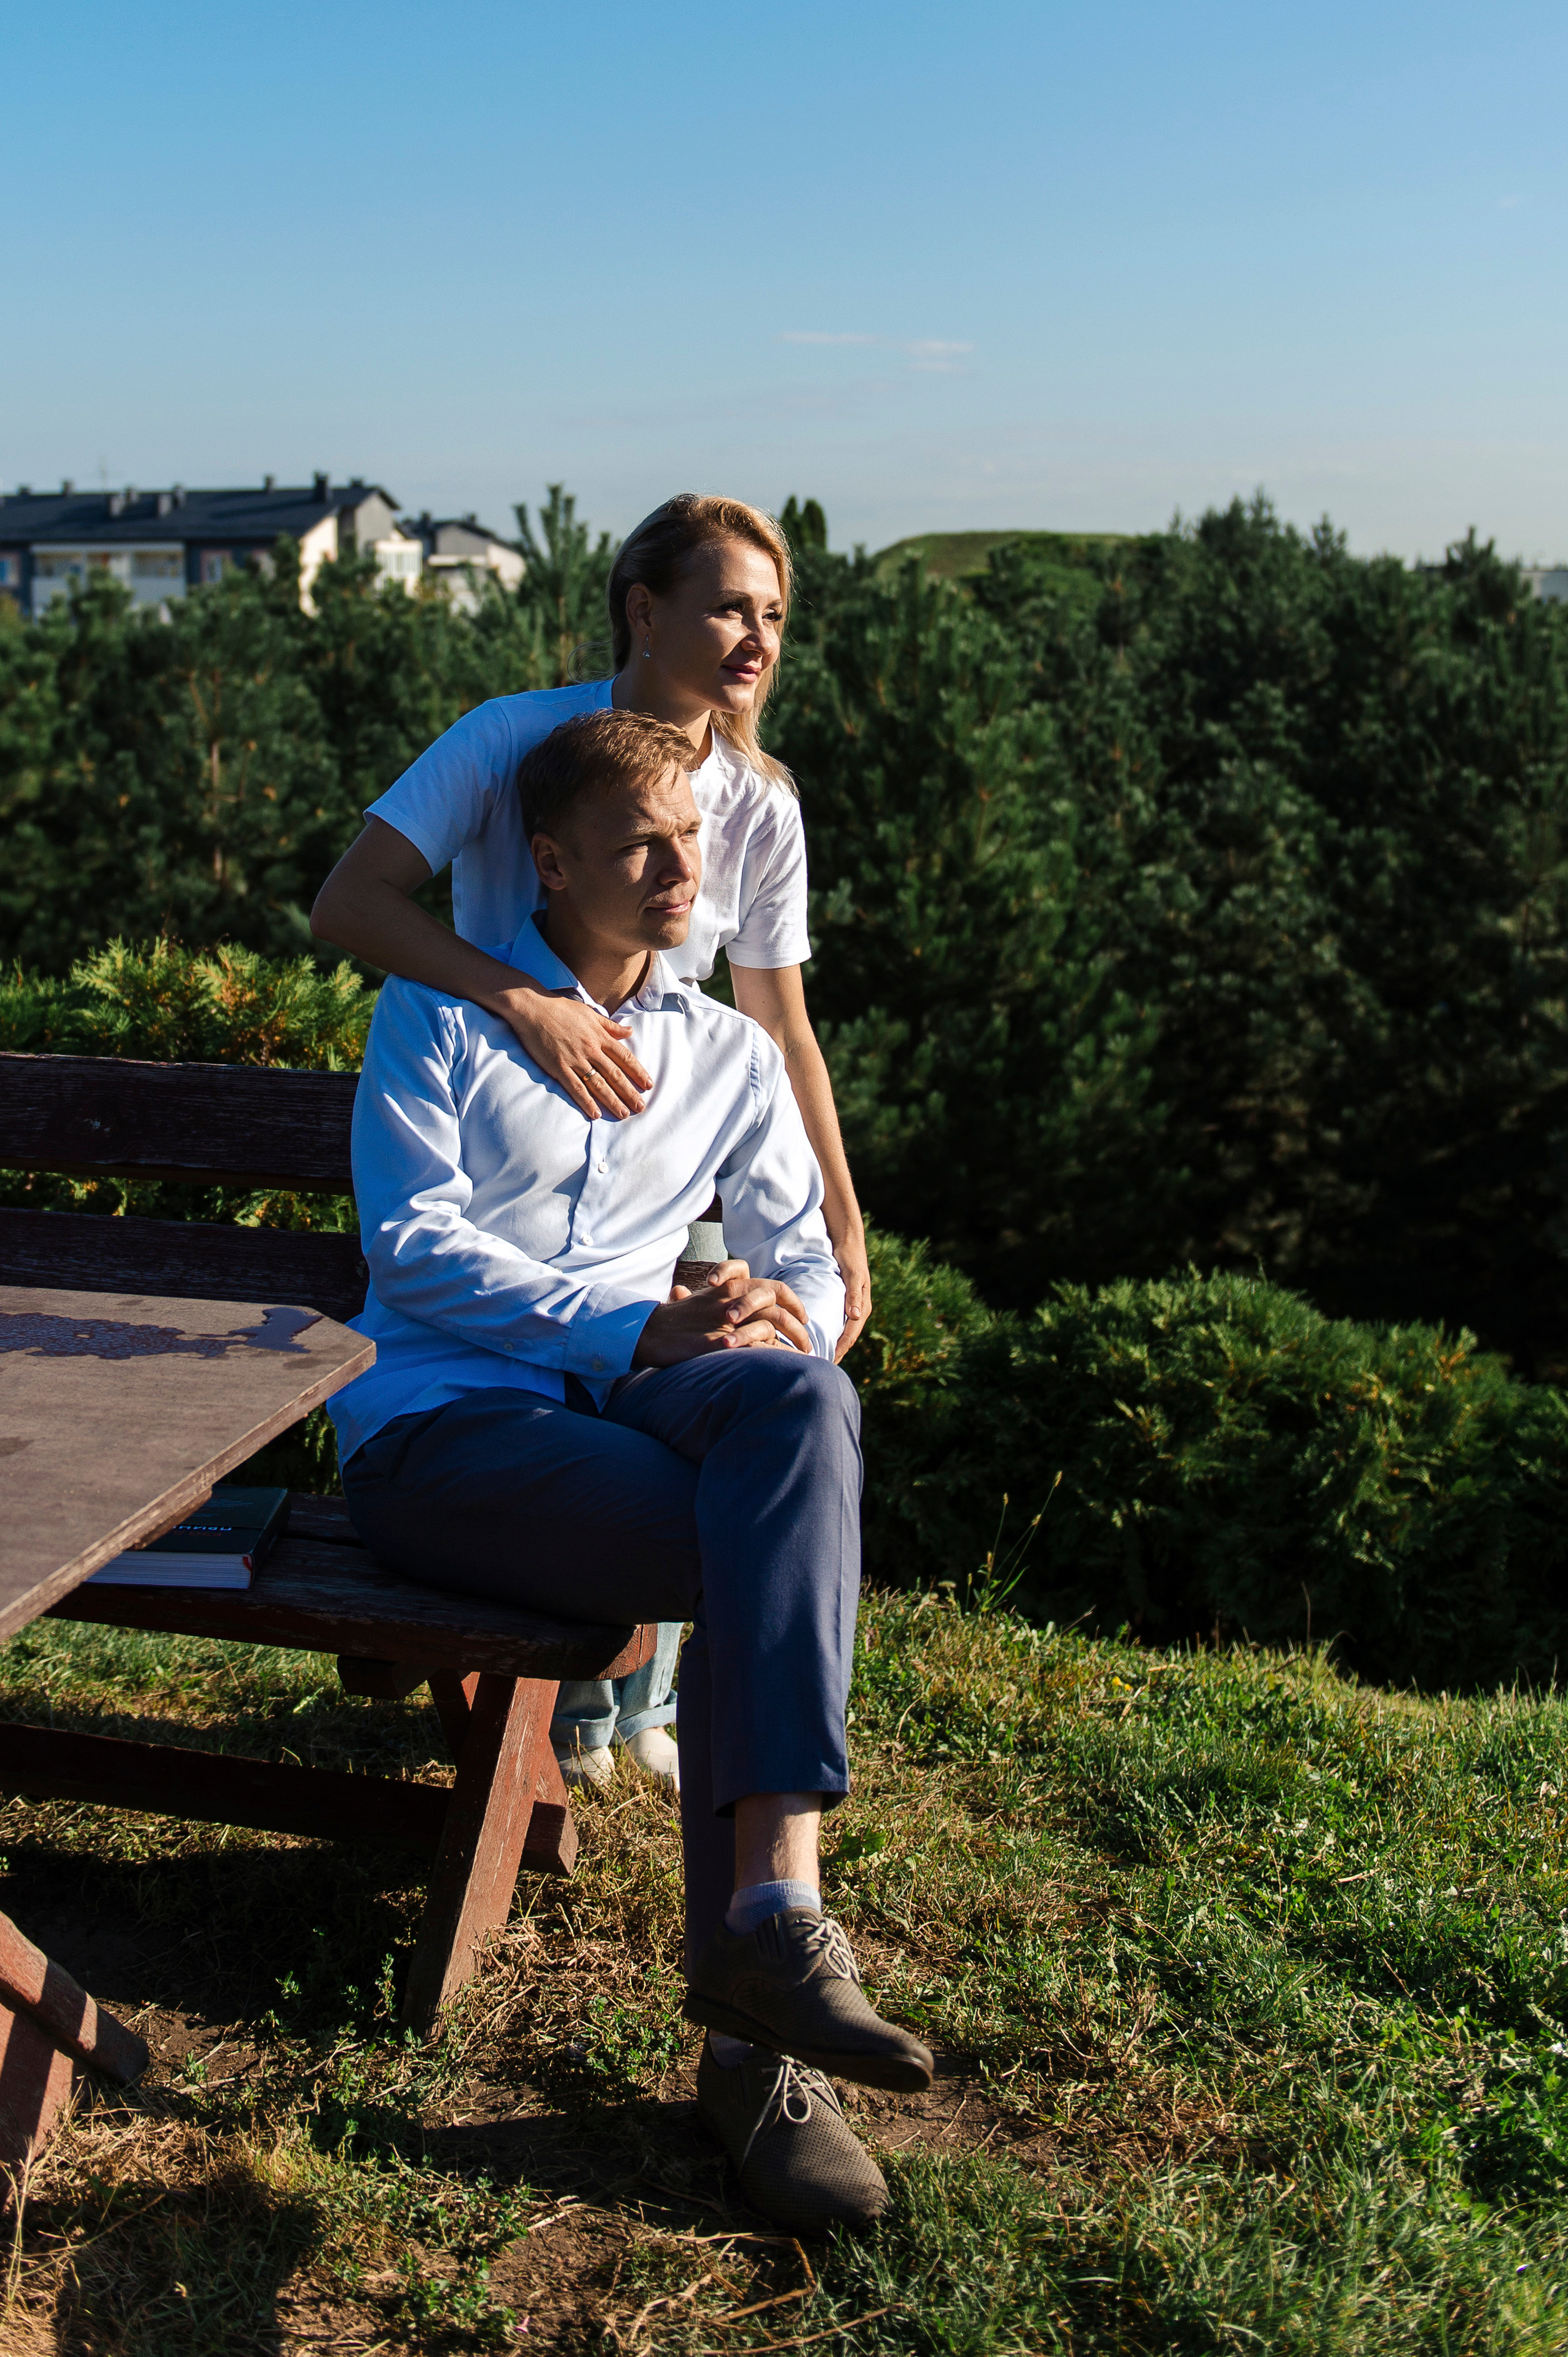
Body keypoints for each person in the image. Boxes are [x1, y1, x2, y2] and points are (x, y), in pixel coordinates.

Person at [328, 709, 930, 2228]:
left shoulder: (724, 1055)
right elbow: (413, 1254)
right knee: (755, 1544)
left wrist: (765, 1302)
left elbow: (794, 1245)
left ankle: (774, 1912)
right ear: (549, 860)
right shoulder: (441, 1019)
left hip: (630, 1413)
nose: (680, 871)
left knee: (793, 1410)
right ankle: (750, 2054)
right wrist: (637, 1326)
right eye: (640, 846)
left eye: (692, 840)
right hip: (445, 1433)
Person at [310, 493, 869, 1793]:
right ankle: (593, 1722)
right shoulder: (512, 744)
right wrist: (523, 1003)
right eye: (729, 605)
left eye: (773, 613)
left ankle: (689, 1767)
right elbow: (352, 902)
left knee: (759, 1394)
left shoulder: (757, 802)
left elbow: (771, 1019)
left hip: (657, 1134)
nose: (755, 636)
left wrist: (831, 1234)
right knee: (699, 1465)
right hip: (503, 1136)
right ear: (642, 610)